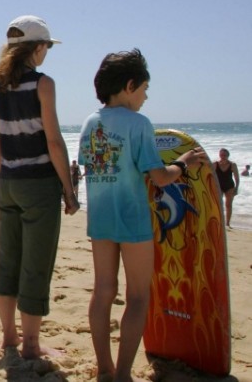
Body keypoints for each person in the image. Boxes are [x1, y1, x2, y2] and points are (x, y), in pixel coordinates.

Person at [79, 49, 208, 382]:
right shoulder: (139, 124)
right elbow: (159, 177)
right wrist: (185, 161)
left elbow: (92, 167)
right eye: (144, 89)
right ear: (130, 84)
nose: (146, 97)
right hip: (133, 219)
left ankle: (103, 369)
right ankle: (122, 374)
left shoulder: (91, 123)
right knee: (137, 296)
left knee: (103, 290)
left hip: (101, 218)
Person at [0, 15, 79, 360]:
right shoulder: (43, 84)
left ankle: (9, 336)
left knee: (8, 261)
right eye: (46, 48)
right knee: (35, 265)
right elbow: (54, 142)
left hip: (8, 182)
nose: (46, 55)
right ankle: (30, 344)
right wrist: (69, 191)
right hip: (38, 185)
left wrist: (1, 180)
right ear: (37, 48)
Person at [214, 148, 240, 228]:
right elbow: (210, 175)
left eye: (224, 155)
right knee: (218, 204)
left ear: (228, 155)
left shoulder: (232, 164)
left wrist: (236, 188)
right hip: (219, 186)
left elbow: (237, 178)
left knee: (228, 205)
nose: (223, 156)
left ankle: (228, 223)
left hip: (229, 186)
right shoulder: (215, 164)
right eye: (221, 155)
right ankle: (219, 221)